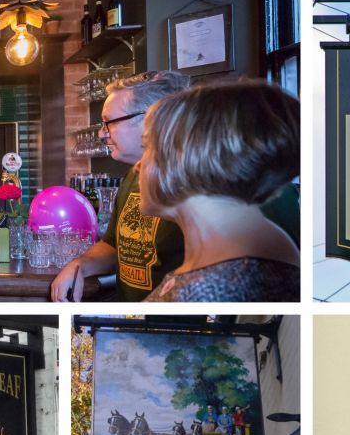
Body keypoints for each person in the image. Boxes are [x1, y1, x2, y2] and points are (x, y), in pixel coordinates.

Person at [50, 71, 298, 302]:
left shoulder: (206, 287)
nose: (138, 168)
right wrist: (81, 263)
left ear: (189, 155)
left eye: (151, 148)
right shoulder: (204, 274)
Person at [138, 81, 300, 302]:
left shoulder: (219, 287)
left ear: (183, 157)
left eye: (147, 148)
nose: (138, 165)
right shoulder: (236, 262)